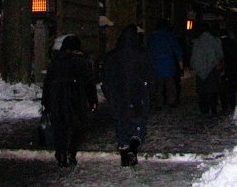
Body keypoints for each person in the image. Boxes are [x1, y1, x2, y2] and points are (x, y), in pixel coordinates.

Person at [101, 24, 157, 166]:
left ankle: (124, 148)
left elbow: (106, 78)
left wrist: (110, 94)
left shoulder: (112, 56)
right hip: (138, 96)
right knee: (138, 122)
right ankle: (134, 145)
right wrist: (150, 92)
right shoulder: (142, 54)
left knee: (122, 123)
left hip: (119, 97)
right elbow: (151, 76)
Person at [41, 34, 98, 167]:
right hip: (76, 98)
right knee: (79, 127)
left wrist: (46, 102)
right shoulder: (82, 62)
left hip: (58, 98)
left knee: (60, 128)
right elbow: (89, 83)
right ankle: (71, 152)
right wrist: (92, 100)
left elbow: (48, 83)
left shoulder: (56, 62)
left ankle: (61, 153)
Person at [146, 19, 184, 109]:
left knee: (158, 86)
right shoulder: (170, 36)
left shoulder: (153, 38)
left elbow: (148, 52)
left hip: (156, 65)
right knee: (170, 85)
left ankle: (158, 103)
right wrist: (181, 66)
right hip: (168, 65)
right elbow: (177, 51)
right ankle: (171, 102)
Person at [189, 22, 224, 114]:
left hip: (200, 69)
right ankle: (213, 107)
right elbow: (219, 54)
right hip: (213, 68)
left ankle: (204, 108)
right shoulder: (215, 40)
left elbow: (194, 57)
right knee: (212, 89)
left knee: (202, 89)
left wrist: (194, 66)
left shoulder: (197, 42)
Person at [219, 29, 237, 114]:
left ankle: (224, 106)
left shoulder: (220, 44)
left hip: (224, 69)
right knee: (232, 89)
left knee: (223, 89)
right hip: (233, 69)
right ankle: (232, 104)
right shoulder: (233, 43)